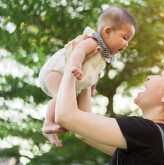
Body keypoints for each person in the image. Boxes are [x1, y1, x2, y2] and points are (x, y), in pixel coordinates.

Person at [55, 37, 164, 165]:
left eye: (161, 75)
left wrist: (73, 61)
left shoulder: (149, 134)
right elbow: (83, 132)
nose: (149, 77)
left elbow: (65, 115)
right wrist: (88, 71)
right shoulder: (154, 141)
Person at [38, 6, 137, 147]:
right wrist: (75, 66)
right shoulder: (94, 41)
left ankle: (58, 126)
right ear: (108, 31)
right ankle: (48, 123)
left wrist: (91, 89)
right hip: (56, 71)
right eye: (124, 38)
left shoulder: (104, 56)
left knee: (69, 102)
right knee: (60, 96)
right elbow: (78, 50)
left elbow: (96, 73)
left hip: (69, 76)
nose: (126, 44)